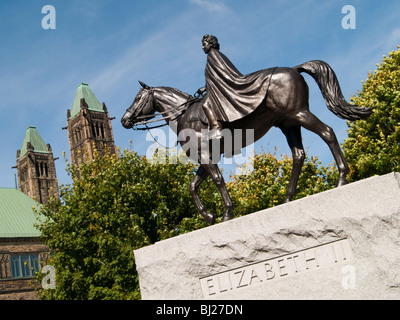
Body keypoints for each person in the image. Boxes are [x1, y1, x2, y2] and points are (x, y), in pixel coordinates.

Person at [201, 34, 273, 140]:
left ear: (211, 44)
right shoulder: (217, 55)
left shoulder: (212, 55)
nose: (203, 47)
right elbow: (216, 77)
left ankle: (217, 129)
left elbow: (221, 76)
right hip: (218, 86)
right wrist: (205, 87)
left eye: (204, 44)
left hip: (223, 87)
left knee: (206, 104)